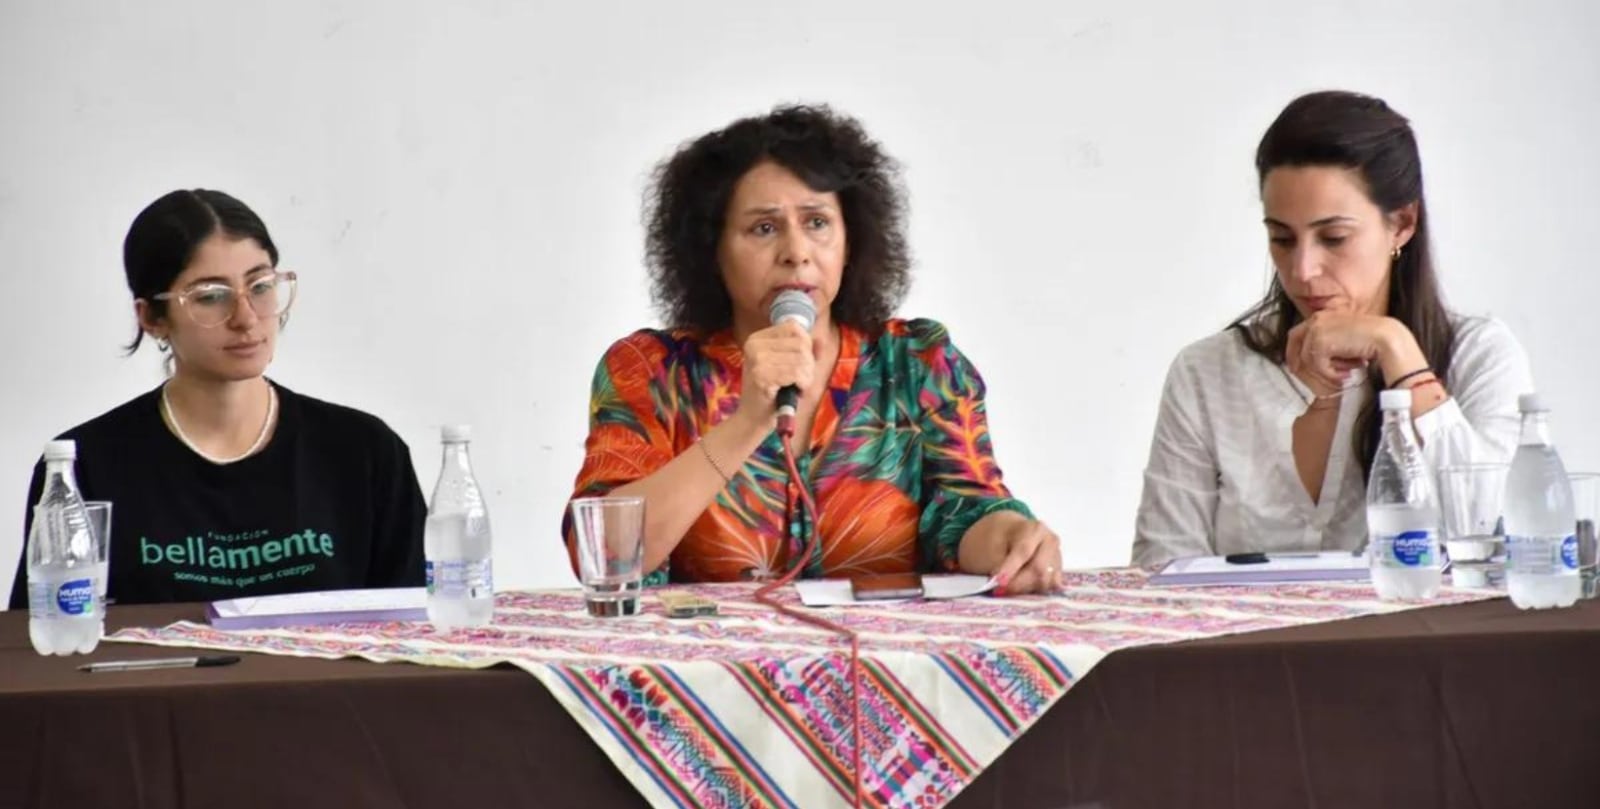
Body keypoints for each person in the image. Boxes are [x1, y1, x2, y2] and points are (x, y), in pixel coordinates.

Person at [564, 105, 1060, 595]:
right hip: (711, 668)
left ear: (852, 239)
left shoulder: (919, 362)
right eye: (764, 228)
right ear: (710, 250)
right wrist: (747, 423)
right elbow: (601, 555)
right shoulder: (650, 371)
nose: (796, 252)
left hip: (883, 663)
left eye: (818, 223)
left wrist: (1011, 540)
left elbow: (967, 512)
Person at [1133, 90, 1533, 567]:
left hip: (1416, 641)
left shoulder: (1479, 354)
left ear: (1402, 224)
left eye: (1334, 238)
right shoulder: (1208, 372)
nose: (1302, 270)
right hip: (1243, 641)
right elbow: (1160, 567)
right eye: (1281, 238)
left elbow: (1489, 537)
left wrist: (1397, 350)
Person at [7, 189, 426, 608]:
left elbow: (419, 635)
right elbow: (45, 645)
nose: (246, 318)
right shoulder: (84, 468)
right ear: (151, 318)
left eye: (260, 286)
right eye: (210, 296)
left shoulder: (364, 452)